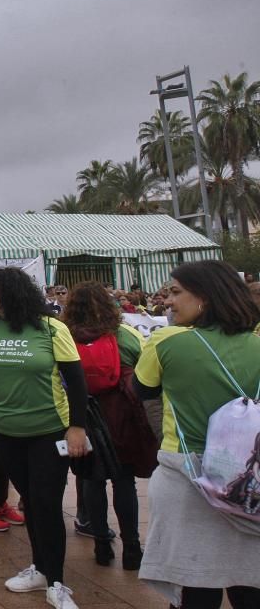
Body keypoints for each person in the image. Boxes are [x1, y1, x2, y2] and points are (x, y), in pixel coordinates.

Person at [0, 268, 89, 609]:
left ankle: (57, 583)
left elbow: (76, 381)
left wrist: (77, 426)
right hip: (4, 433)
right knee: (31, 502)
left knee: (46, 504)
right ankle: (40, 568)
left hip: (48, 432)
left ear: (14, 292)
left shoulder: (50, 327)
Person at [133, 261, 260, 609]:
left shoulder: (166, 342)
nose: (167, 301)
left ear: (204, 297)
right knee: (249, 584)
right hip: (250, 481)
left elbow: (142, 388)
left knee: (195, 589)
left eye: (175, 292)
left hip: (187, 476)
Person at [62, 282, 154, 569]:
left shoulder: (65, 336)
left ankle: (101, 545)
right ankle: (132, 548)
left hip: (82, 416)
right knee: (124, 481)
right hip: (119, 414)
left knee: (91, 479)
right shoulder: (124, 336)